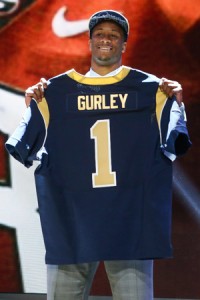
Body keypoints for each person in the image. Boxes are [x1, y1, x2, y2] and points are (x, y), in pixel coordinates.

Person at [6, 10, 191, 300]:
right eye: (100, 34)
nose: (106, 39)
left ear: (124, 44)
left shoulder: (156, 92)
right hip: (74, 225)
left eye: (114, 35)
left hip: (127, 226)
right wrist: (37, 104)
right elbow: (21, 144)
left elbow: (176, 141)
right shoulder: (49, 95)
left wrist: (175, 103)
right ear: (90, 41)